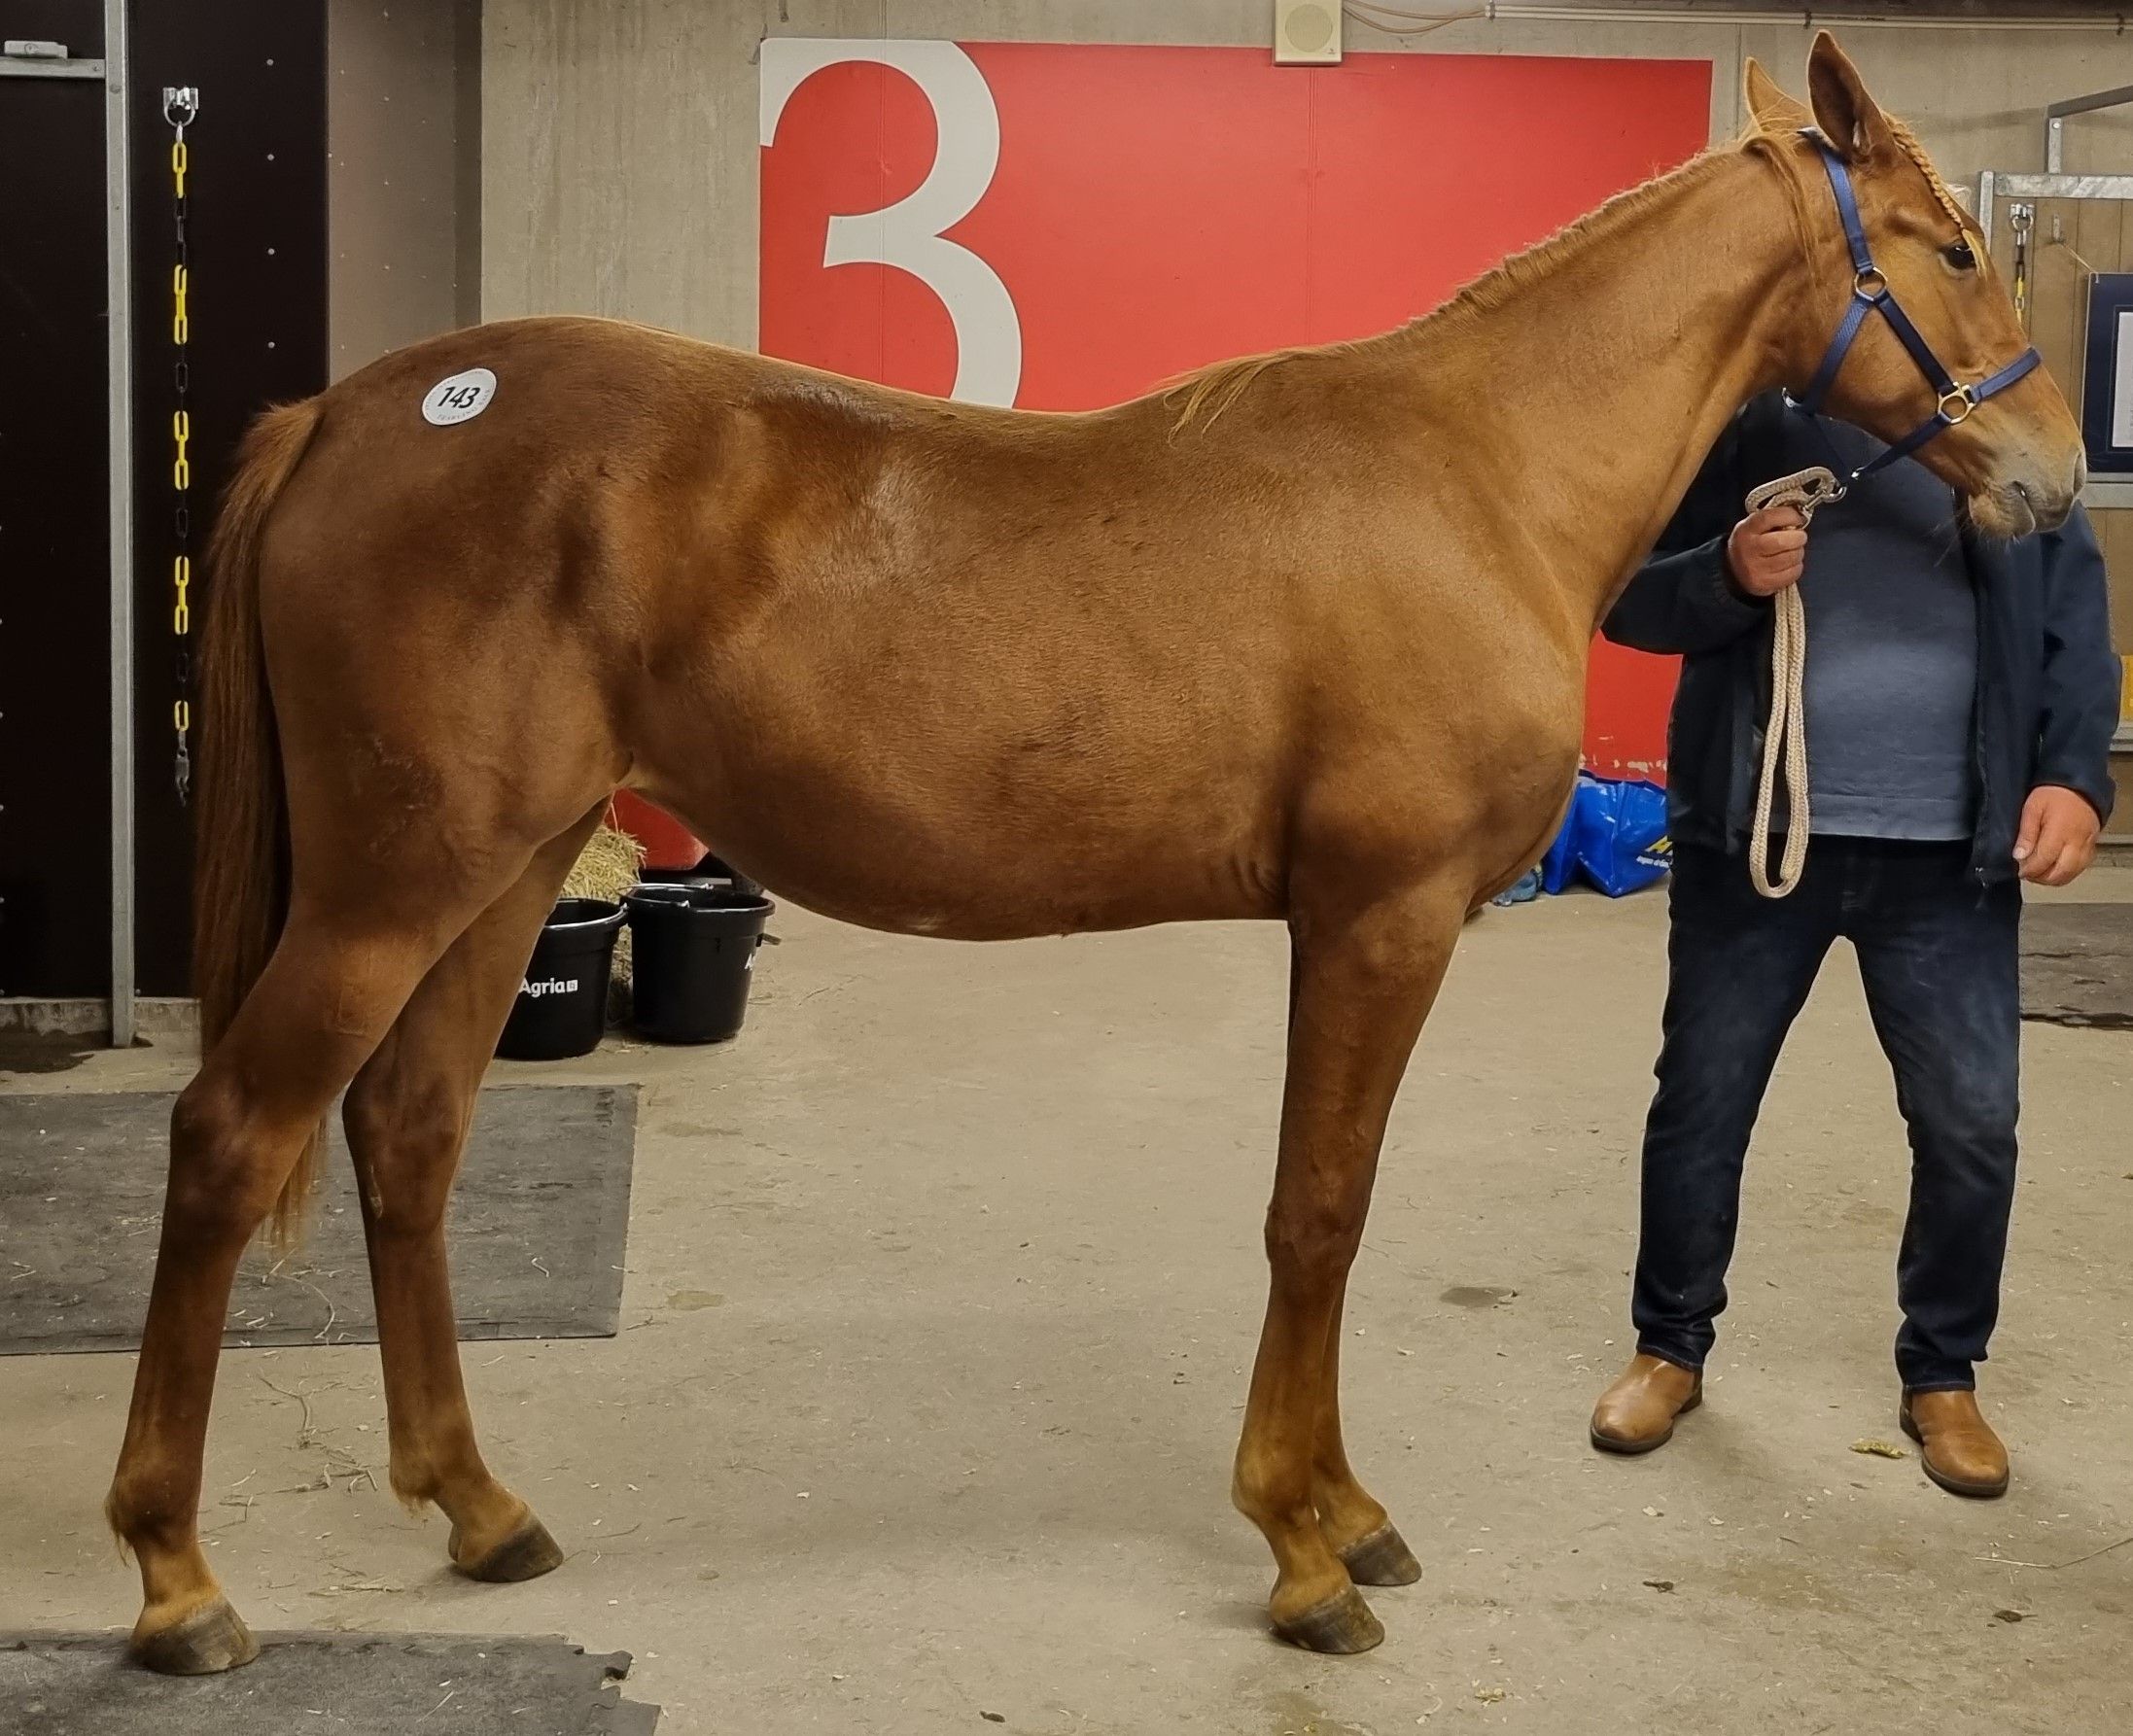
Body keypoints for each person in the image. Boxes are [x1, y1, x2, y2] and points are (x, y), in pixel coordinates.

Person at [1587, 390, 2117, 1498]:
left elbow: (2075, 621)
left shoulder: (2007, 434)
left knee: (1972, 1126)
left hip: (1949, 856)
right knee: (1702, 1105)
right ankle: (1668, 1347)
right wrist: (1727, 572)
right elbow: (1626, 599)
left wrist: (2074, 774)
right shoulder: (1740, 429)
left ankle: (1943, 1374)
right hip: (1756, 839)